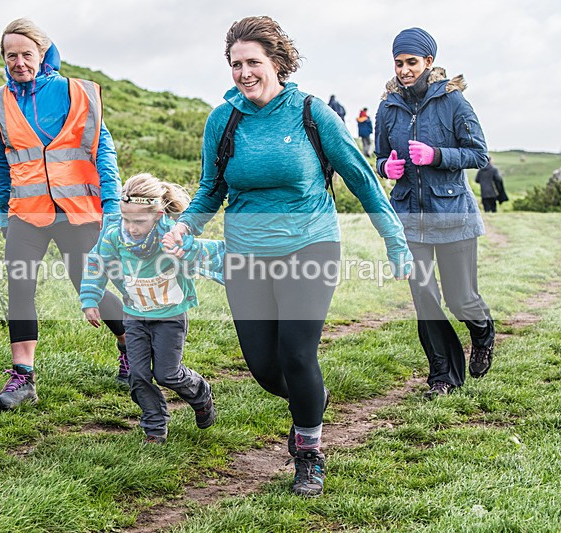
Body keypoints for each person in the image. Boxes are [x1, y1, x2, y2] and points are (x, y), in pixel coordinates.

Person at [163, 16, 411, 497]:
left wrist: (394, 239)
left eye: (252, 62)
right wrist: (183, 227)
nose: (243, 72)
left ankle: (309, 451)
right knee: (264, 367)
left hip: (309, 246)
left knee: (298, 353)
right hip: (246, 255)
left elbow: (362, 179)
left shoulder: (311, 113)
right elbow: (210, 189)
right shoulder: (224, 119)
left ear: (277, 62)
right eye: (235, 64)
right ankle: (311, 399)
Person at [0, 18, 129, 411]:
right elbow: (0, 161)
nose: (19, 62)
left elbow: (104, 153)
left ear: (43, 54)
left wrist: (112, 209)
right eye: (11, 55)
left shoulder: (81, 93)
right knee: (19, 288)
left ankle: (129, 339)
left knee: (88, 287)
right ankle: (22, 378)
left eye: (26, 54)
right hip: (26, 212)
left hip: (78, 209)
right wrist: (3, 212)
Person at [374, 27, 495, 400]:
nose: (405, 70)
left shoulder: (454, 101)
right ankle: (442, 376)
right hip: (409, 217)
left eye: (412, 62)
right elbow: (380, 155)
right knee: (425, 300)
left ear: (429, 62)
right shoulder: (387, 106)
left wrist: (436, 155)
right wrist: (386, 168)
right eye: (399, 63)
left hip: (454, 216)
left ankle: (482, 330)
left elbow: (479, 154)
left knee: (460, 299)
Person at [80, 173, 223, 444]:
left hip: (169, 317)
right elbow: (97, 264)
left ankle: (200, 393)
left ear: (158, 214)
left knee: (167, 373)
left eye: (139, 221)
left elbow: (202, 253)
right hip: (134, 316)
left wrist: (182, 249)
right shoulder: (114, 237)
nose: (131, 227)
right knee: (138, 375)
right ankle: (154, 426)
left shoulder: (171, 234)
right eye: (126, 219)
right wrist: (90, 299)